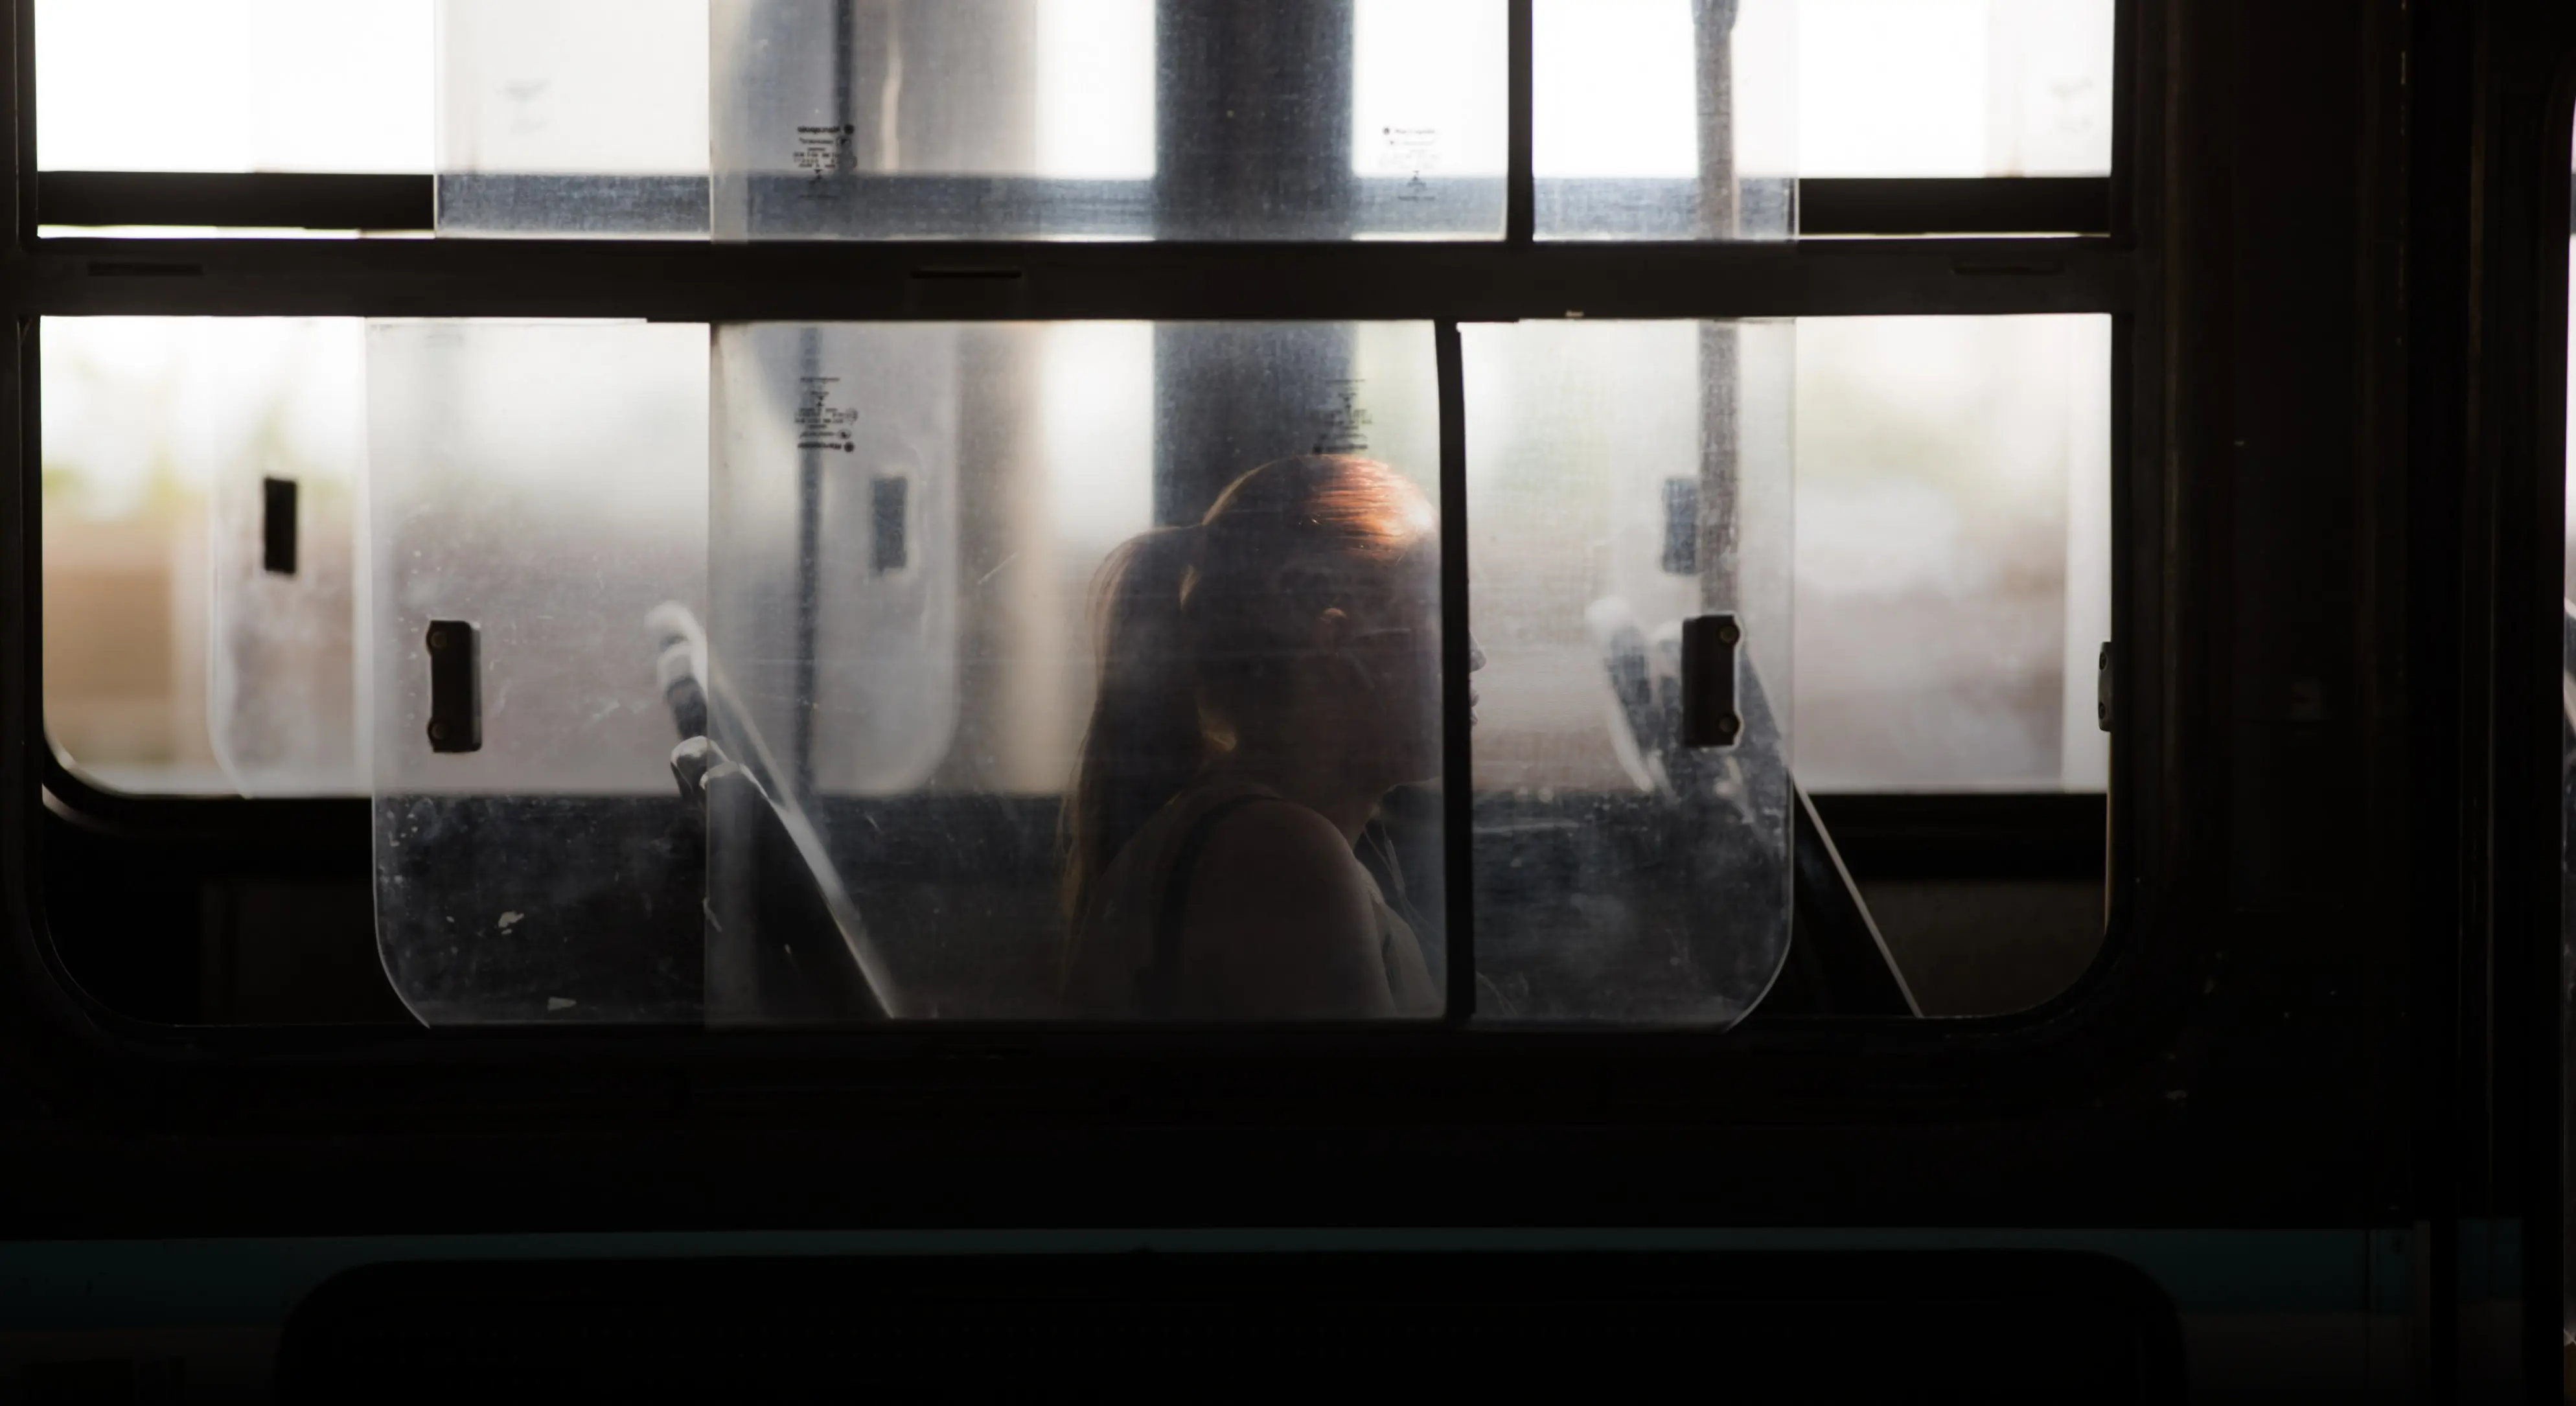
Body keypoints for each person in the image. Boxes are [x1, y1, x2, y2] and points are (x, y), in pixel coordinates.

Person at [1059, 455, 1474, 1019]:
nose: (1472, 656)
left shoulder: (1251, 837)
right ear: (1335, 637)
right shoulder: (1282, 858)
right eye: (1438, 611)